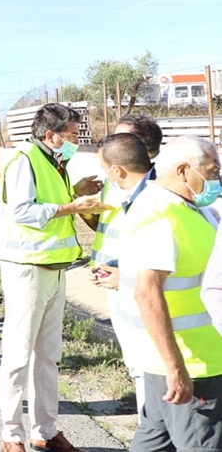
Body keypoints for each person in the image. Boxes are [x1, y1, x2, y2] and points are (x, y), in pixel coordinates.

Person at [0, 103, 108, 452]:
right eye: (71, 135)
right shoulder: (24, 160)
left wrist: (74, 193)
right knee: (18, 355)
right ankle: (11, 435)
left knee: (48, 355)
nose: (75, 140)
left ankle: (45, 430)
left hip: (54, 270)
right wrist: (73, 207)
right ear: (50, 134)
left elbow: (48, 203)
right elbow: (24, 211)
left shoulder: (55, 162)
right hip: (27, 269)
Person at [117, 136, 222, 451]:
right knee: (201, 444)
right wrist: (176, 368)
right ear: (182, 170)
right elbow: (148, 295)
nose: (216, 179)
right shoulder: (160, 215)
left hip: (179, 360)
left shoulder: (188, 207)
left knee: (154, 443)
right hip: (190, 364)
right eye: (212, 171)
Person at [87, 133, 153, 413]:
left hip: (138, 292)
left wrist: (123, 277)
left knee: (145, 367)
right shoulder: (138, 195)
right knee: (141, 367)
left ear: (117, 170)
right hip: (120, 282)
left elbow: (159, 258)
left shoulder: (152, 200)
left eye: (105, 169)